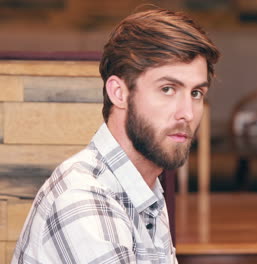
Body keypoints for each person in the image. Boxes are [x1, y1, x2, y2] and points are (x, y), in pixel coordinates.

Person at [12, 7, 220, 264]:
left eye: (196, 93)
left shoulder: (144, 188)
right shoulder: (85, 200)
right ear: (119, 93)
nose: (187, 113)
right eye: (167, 89)